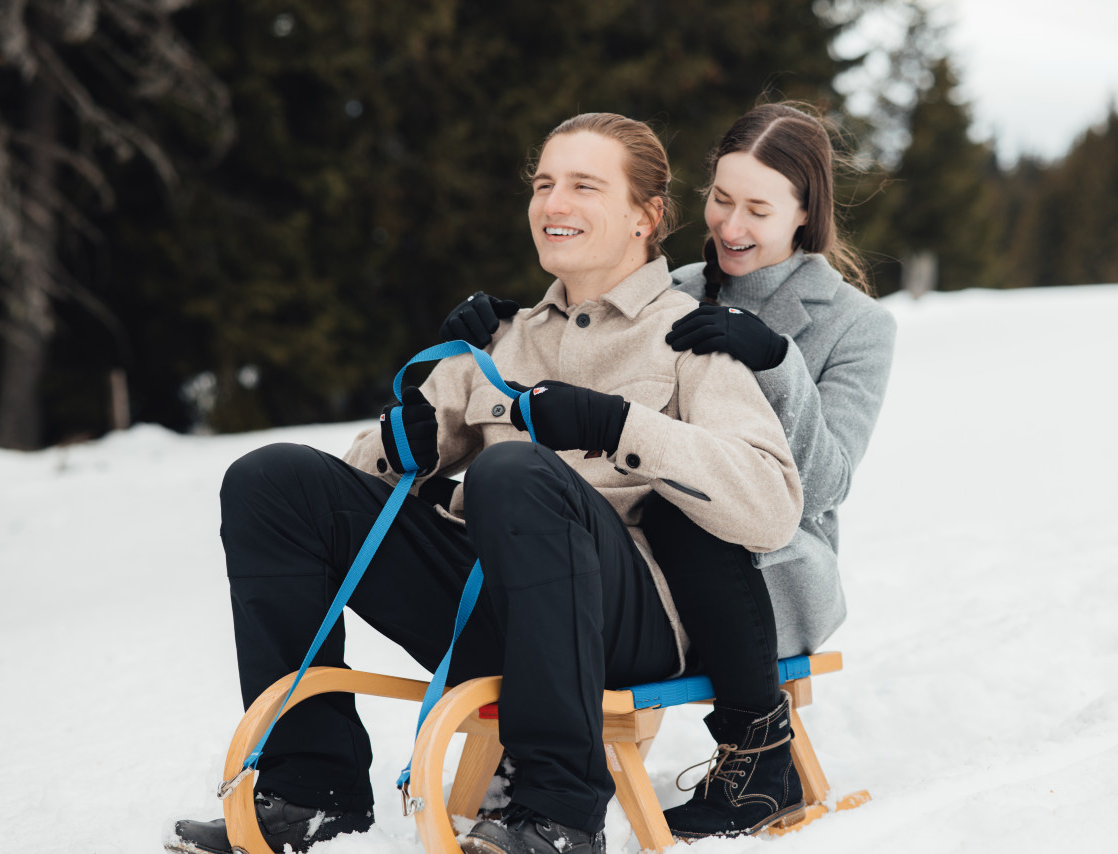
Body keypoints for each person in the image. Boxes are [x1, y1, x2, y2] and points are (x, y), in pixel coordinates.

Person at [165, 112, 802, 854]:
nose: (552, 204)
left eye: (583, 186)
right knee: (270, 479)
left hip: (625, 617)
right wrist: (399, 443)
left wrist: (620, 427)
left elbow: (771, 507)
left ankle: (559, 811)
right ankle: (311, 788)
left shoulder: (690, 336)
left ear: (646, 215)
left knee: (511, 469)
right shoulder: (502, 338)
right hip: (492, 604)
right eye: (543, 184)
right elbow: (352, 493)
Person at [439, 102, 896, 840]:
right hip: (644, 536)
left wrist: (777, 363)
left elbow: (828, 481)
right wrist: (507, 327)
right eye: (720, 200)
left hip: (769, 552)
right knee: (643, 501)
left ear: (804, 216)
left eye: (757, 209)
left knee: (680, 509)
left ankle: (757, 748)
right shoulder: (678, 282)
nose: (731, 227)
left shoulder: (857, 326)